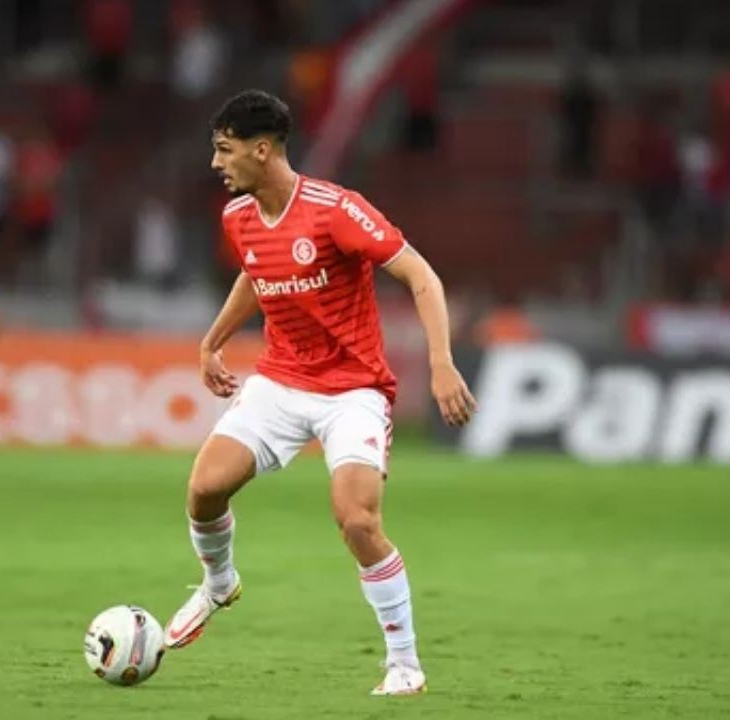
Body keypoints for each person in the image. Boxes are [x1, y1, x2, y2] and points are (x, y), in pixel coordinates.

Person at [163, 90, 476, 696]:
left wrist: (441, 363)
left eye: (224, 150)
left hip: (352, 390)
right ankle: (219, 583)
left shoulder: (336, 211)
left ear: (261, 149)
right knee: (204, 489)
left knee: (356, 519)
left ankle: (405, 664)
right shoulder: (239, 218)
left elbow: (421, 275)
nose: (215, 163)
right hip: (280, 380)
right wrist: (212, 342)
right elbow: (258, 274)